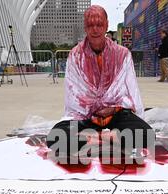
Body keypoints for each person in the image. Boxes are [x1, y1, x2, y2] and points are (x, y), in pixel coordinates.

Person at [46, 5, 153, 163]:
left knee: (147, 135)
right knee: (55, 138)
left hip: (115, 114)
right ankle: (99, 139)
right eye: (90, 25)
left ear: (107, 25)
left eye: (99, 25)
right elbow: (74, 94)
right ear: (85, 27)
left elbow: (130, 90)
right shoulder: (75, 55)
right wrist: (93, 107)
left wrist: (114, 107)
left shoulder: (122, 54)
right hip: (86, 115)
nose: (95, 29)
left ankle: (101, 137)